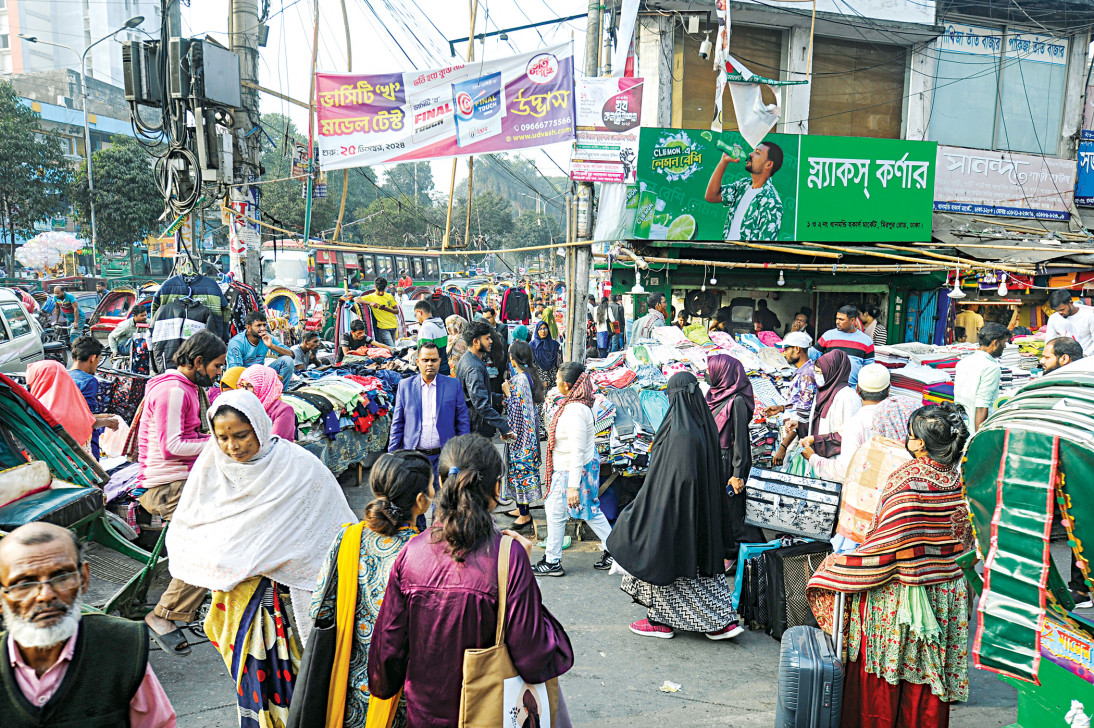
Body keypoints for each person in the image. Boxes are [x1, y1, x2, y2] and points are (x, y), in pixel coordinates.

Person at [167, 390, 356, 724]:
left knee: (304, 692)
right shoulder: (210, 467)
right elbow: (192, 530)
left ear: (259, 426)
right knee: (256, 688)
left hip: (288, 606)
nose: (232, 446)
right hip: (241, 607)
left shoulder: (298, 467)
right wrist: (231, 561)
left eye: (241, 435)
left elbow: (334, 532)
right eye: (222, 437)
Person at [367, 434, 574, 727]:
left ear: (441, 484)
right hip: (489, 714)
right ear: (497, 488)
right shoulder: (508, 556)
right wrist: (526, 577)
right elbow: (535, 658)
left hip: (423, 716)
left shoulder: (410, 553)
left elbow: (384, 667)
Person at [807, 403, 974, 728]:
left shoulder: (906, 479)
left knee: (886, 681)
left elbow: (886, 545)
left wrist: (839, 567)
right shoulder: (959, 478)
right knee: (926, 689)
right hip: (944, 595)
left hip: (902, 598)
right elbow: (967, 542)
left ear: (920, 444)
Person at [608, 372, 744, 640]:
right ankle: (719, 621)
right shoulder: (704, 428)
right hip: (702, 517)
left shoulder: (678, 433)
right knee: (701, 570)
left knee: (660, 560)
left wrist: (647, 510)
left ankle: (660, 620)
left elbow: (669, 481)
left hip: (674, 514)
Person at [0, 523, 176, 727]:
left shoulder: (122, 647)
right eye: (24, 584)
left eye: (61, 577)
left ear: (84, 578)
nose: (45, 595)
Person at [312, 451, 434, 727]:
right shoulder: (424, 553)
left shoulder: (349, 537)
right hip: (400, 691)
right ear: (420, 501)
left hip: (350, 684)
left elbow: (320, 608)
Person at [138, 330, 227, 656]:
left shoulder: (188, 387)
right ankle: (163, 615)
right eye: (217, 366)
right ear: (199, 361)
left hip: (182, 482)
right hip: (167, 487)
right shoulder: (174, 390)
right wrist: (224, 444)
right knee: (210, 548)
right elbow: (172, 445)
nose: (219, 372)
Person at [534, 363, 614, 577]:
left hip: (569, 471)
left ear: (567, 385)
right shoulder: (575, 405)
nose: (555, 384)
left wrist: (572, 487)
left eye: (558, 381)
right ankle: (553, 560)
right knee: (572, 512)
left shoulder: (576, 411)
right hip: (568, 470)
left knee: (581, 511)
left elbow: (577, 451)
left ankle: (553, 561)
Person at [705, 355, 763, 562]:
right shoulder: (713, 395)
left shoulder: (736, 400)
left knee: (732, 508)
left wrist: (738, 474)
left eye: (711, 370)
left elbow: (740, 440)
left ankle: (736, 552)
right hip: (714, 458)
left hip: (728, 461)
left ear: (724, 373)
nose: (707, 373)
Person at [802, 364, 892, 484]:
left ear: (858, 390)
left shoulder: (855, 424)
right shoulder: (898, 419)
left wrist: (813, 458)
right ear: (888, 391)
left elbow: (845, 471)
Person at [389, 341, 470, 474]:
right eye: (425, 360)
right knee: (417, 494)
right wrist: (391, 457)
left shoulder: (453, 385)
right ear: (418, 361)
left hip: (444, 457)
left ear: (440, 361)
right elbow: (397, 424)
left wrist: (462, 454)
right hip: (413, 457)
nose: (430, 364)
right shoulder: (405, 386)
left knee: (442, 494)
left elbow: (462, 422)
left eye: (433, 360)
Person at [26, 359, 117, 455]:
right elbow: (80, 421)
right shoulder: (69, 399)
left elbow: (82, 419)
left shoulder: (34, 406)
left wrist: (104, 420)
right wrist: (106, 421)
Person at [502, 340, 544, 534]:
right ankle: (520, 508)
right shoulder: (528, 377)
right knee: (518, 472)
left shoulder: (519, 380)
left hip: (521, 437)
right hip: (526, 434)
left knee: (520, 473)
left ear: (512, 358)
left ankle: (525, 514)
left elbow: (517, 410)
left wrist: (507, 394)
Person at [704, 141, 784, 241]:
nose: (750, 154)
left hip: (744, 256)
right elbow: (711, 196)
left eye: (757, 153)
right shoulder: (743, 185)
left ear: (768, 164)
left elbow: (766, 245)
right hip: (726, 251)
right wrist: (723, 162)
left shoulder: (772, 202)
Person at [456, 320, 514, 442]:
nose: (491, 341)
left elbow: (477, 394)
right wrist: (503, 426)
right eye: (487, 338)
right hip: (477, 431)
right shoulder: (474, 368)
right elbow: (480, 404)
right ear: (476, 342)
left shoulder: (470, 359)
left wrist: (499, 399)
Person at [767, 331, 816, 466]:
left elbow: (802, 416)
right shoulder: (802, 373)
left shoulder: (807, 375)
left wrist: (783, 447)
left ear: (797, 349)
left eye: (787, 349)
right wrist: (782, 408)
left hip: (794, 438)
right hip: (791, 434)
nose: (784, 353)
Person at [953, 321, 1010, 433]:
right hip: (976, 428)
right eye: (1004, 342)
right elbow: (982, 406)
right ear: (995, 343)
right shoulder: (991, 368)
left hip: (961, 425)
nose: (1005, 346)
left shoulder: (963, 362)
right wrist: (978, 438)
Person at [812, 304, 875, 387]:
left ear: (852, 321)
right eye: (837, 318)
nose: (837, 322)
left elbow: (869, 369)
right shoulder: (828, 336)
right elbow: (812, 355)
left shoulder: (866, 341)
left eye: (841, 319)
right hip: (829, 387)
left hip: (853, 389)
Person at [226, 311, 296, 385]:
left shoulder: (267, 337)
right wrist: (264, 375)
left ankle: (280, 392)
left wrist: (272, 346)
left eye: (264, 325)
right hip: (243, 379)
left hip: (261, 375)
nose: (262, 329)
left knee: (287, 361)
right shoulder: (237, 342)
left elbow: (291, 355)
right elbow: (235, 371)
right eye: (258, 325)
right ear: (248, 327)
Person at [238, 364, 297, 441]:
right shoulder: (244, 407)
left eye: (250, 386)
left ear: (264, 386)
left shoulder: (283, 411)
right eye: (242, 385)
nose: (244, 390)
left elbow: (275, 444)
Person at [1045, 289, 1094, 356]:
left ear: (1070, 303)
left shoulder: (1089, 316)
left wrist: (1085, 355)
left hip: (1086, 358)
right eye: (1057, 310)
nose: (1060, 313)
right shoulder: (1053, 318)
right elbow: (1049, 342)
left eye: (1062, 309)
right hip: (1064, 360)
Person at [359, 277, 400, 347]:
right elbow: (356, 299)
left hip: (394, 326)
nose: (381, 293)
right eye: (379, 290)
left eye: (383, 290)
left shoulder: (389, 296)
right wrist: (369, 303)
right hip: (383, 328)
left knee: (389, 349)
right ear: (374, 287)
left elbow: (397, 311)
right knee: (392, 348)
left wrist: (387, 309)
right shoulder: (370, 297)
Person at [414, 300, 450, 376]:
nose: (417, 318)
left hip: (432, 371)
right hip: (444, 367)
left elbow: (424, 353)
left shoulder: (426, 328)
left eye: (415, 315)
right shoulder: (440, 324)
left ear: (420, 312)